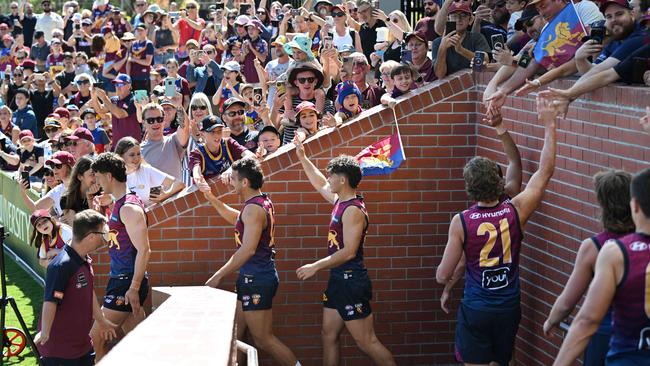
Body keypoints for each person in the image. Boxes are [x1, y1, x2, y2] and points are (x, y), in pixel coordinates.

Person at [436, 93, 558, 366]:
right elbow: (544, 171)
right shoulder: (515, 207)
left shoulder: (462, 220)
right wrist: (550, 125)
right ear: (499, 182)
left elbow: (444, 273)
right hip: (508, 306)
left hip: (477, 307)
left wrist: (448, 282)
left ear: (470, 189)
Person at [294, 140, 397, 366]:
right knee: (328, 335)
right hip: (338, 279)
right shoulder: (340, 200)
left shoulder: (353, 210)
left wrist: (316, 266)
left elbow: (349, 252)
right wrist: (302, 157)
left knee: (366, 342)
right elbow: (320, 183)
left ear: (343, 180)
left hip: (352, 281)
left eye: (332, 176)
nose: (328, 179)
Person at [199, 157, 301, 366]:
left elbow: (248, 249)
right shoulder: (257, 204)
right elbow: (238, 219)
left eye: (234, 179)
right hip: (250, 278)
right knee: (235, 333)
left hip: (257, 278)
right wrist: (211, 197)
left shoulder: (253, 209)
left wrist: (218, 276)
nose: (231, 183)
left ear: (244, 183)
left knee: (264, 339)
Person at [553, 168, 650, 365]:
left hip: (617, 346)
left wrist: (551, 320)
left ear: (636, 205)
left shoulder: (612, 250)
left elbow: (582, 316)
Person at [35, 209, 117, 366]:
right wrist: (45, 332)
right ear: (91, 237)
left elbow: (87, 292)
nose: (106, 237)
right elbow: (50, 301)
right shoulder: (61, 265)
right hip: (60, 352)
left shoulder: (84, 259)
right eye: (104, 233)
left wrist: (101, 321)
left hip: (82, 346)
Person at [89, 152, 151, 362]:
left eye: (97, 176)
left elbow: (144, 250)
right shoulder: (120, 203)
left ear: (109, 176)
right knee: (138, 344)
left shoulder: (129, 208)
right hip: (120, 279)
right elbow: (115, 240)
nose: (96, 181)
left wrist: (133, 288)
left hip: (126, 283)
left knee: (95, 340)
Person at [115, 136, 185, 207]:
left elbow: (179, 184)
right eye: (132, 155)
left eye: (138, 154)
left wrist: (165, 195)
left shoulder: (146, 170)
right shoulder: (116, 179)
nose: (136, 158)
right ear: (121, 156)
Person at [432, 1, 490, 79]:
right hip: (448, 87)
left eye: (463, 15)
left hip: (473, 82)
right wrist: (442, 48)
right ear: (449, 19)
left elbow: (485, 60)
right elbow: (440, 74)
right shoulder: (437, 42)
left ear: (470, 20)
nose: (459, 19)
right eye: (454, 16)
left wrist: (461, 50)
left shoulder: (477, 37)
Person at [189, 115, 254, 181]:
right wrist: (199, 181)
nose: (217, 135)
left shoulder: (228, 142)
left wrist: (232, 169)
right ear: (202, 134)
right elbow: (196, 174)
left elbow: (251, 156)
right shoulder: (197, 153)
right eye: (212, 132)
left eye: (219, 131)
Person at [140, 100, 191, 182]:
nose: (156, 123)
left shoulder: (173, 141)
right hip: (153, 194)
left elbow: (184, 127)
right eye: (151, 120)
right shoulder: (138, 151)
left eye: (159, 119)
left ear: (164, 120)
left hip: (178, 194)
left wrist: (178, 105)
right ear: (143, 123)